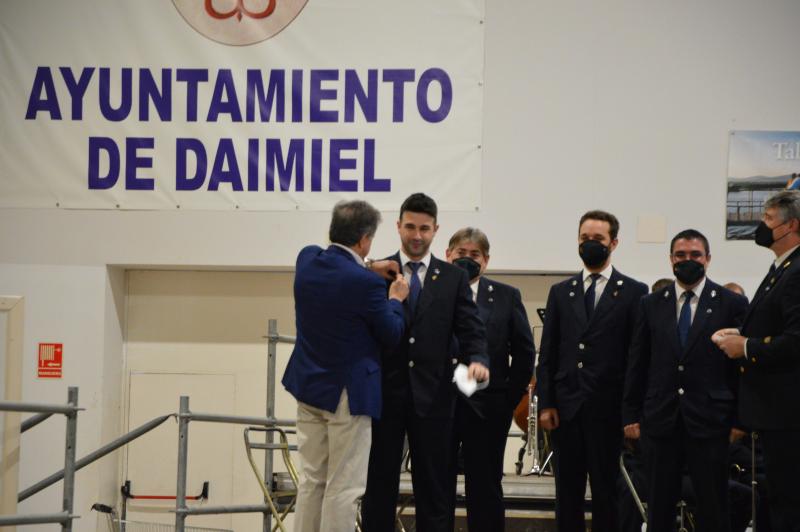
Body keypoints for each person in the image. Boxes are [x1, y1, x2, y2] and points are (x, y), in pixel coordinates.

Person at [361, 193, 489, 532]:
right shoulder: (377, 272)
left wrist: (478, 358)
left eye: (425, 229)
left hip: (434, 398)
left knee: (435, 490)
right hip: (384, 396)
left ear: (435, 230)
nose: (417, 236)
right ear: (398, 226)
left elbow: (470, 327)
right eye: (410, 227)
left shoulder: (453, 277)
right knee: (378, 487)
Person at [282, 200, 409, 532]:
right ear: (365, 239)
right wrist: (395, 299)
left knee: (312, 481)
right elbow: (391, 333)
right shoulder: (365, 285)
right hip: (347, 396)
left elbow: (337, 266)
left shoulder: (306, 260)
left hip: (309, 388)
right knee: (345, 487)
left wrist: (367, 265)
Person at [623, 229, 748, 532]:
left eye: (694, 255)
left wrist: (740, 419)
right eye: (680, 255)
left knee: (713, 506)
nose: (687, 260)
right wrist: (630, 414)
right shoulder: (650, 303)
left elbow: (741, 370)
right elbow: (638, 362)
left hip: (711, 420)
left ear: (707, 259)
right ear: (670, 259)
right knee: (660, 506)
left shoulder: (731, 303)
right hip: (661, 420)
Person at [535, 210, 647, 531]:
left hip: (608, 411)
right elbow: (549, 354)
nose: (590, 244)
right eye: (585, 238)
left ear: (613, 242)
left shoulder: (634, 292)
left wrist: (631, 413)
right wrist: (546, 403)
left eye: (597, 239)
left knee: (606, 494)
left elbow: (637, 359)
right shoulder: (561, 291)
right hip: (566, 410)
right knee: (567, 494)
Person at [714, 189, 800, 531]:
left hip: (788, 412)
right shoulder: (782, 268)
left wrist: (745, 347)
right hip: (773, 411)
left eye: (767, 220)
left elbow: (795, 340)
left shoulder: (796, 272)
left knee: (789, 500)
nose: (759, 226)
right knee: (778, 497)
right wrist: (736, 333)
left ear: (791, 225)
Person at [444, 227, 535, 531]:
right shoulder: (433, 291)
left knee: (484, 489)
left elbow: (524, 352)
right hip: (439, 407)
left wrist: (508, 400)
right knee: (436, 488)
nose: (467, 259)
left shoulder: (507, 296)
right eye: (461, 253)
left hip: (489, 409)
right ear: (448, 255)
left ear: (486, 260)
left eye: (475, 255)